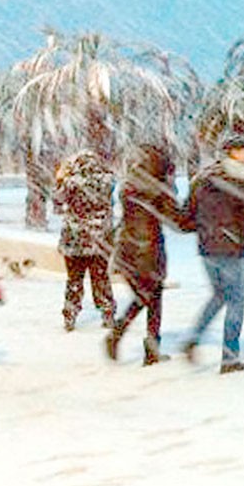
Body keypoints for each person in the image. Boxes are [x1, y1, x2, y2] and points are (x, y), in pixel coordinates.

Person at [181, 135, 244, 374]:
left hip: (208, 250)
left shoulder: (202, 179)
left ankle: (193, 338)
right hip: (235, 250)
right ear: (233, 152)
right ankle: (229, 359)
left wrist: (208, 229)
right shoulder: (242, 178)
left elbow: (186, 218)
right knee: (236, 301)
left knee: (219, 295)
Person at [105, 144, 187, 366]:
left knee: (143, 297)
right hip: (148, 251)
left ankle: (123, 335)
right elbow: (178, 222)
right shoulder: (158, 190)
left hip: (127, 249)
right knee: (151, 297)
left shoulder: (130, 185)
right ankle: (146, 346)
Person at [54, 148, 117, 332]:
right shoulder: (106, 182)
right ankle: (107, 312)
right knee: (101, 278)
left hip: (75, 241)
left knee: (74, 280)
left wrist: (60, 177)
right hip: (99, 240)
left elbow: (57, 200)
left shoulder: (70, 182)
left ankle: (70, 314)